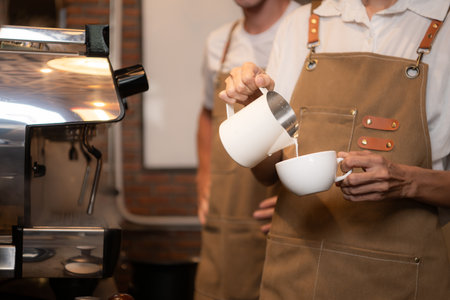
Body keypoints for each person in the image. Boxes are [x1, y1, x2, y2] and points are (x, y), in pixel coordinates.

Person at [219, 0, 450, 299]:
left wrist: (406, 181)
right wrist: (252, 106)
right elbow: (266, 174)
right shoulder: (301, 23)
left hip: (401, 278)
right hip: (294, 275)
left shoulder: (441, 22)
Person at [194, 1, 301, 299]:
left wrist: (299, 190)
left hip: (286, 212)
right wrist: (203, 176)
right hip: (228, 209)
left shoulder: (307, 28)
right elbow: (206, 113)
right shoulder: (219, 43)